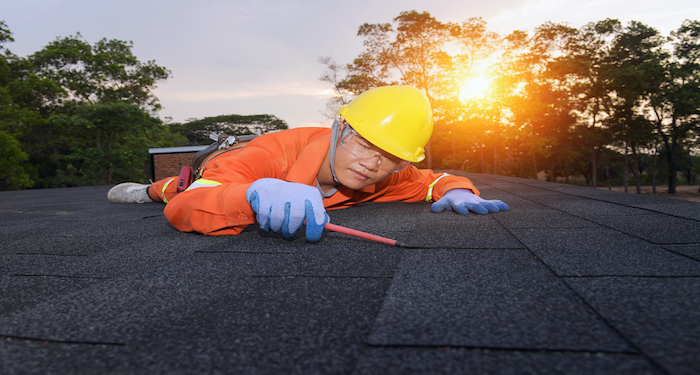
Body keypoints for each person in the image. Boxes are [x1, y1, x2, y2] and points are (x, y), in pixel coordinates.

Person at [108, 85, 509, 241]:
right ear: (339, 128)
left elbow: (429, 180)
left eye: (390, 156)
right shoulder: (270, 156)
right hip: (220, 167)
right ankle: (142, 190)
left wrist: (456, 188)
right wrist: (251, 196)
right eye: (364, 143)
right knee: (173, 190)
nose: (372, 164)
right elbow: (186, 208)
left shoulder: (388, 176)